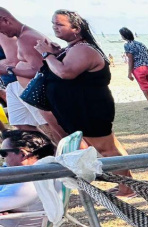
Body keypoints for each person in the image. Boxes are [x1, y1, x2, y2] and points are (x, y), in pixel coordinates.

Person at [35, 10, 135, 196]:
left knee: (108, 150)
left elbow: (66, 73)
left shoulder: (83, 49)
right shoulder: (77, 48)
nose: (54, 28)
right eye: (53, 24)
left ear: (76, 28)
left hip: (90, 109)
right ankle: (128, 184)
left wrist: (46, 54)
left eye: (59, 24)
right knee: (110, 146)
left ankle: (127, 188)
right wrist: (56, 53)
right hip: (86, 109)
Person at [0, 8, 51, 133]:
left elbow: (14, 61)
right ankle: (48, 149)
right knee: (21, 126)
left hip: (24, 83)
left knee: (47, 125)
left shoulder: (5, 34)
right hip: (10, 84)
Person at [0, 130, 57, 227]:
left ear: (22, 154)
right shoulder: (46, 169)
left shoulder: (24, 185)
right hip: (24, 220)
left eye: (3, 153)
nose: (3, 159)